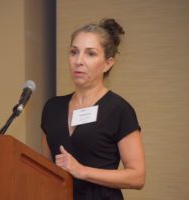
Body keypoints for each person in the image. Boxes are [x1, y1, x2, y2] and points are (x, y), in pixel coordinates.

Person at [41, 18, 145, 200]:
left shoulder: (118, 109)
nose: (78, 61)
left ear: (108, 63)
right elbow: (46, 168)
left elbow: (137, 177)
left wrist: (81, 171)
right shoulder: (52, 108)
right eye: (74, 52)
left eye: (90, 54)